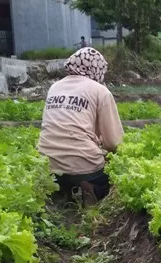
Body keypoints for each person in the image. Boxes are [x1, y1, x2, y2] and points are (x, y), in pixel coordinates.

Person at [37, 47, 123, 205]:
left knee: (64, 172)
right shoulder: (100, 91)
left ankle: (64, 192)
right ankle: (91, 188)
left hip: (47, 168)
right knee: (118, 173)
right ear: (97, 69)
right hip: (85, 170)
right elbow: (113, 143)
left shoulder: (55, 87)